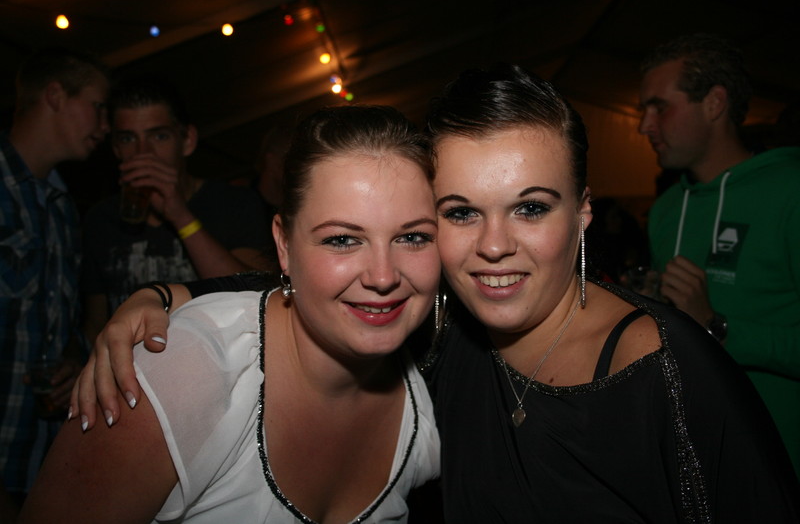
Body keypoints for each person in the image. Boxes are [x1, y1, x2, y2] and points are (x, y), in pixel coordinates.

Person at [69, 65, 799, 521]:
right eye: (459, 213)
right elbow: (323, 283)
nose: (493, 245)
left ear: (582, 214)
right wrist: (167, 294)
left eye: (531, 207)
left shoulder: (666, 370)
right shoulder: (442, 335)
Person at [19, 105, 441, 523]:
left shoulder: (435, 381)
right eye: (342, 240)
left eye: (413, 237)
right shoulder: (181, 372)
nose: (383, 276)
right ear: (284, 245)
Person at [639, 33, 800, 475]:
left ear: (714, 104)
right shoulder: (666, 210)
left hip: (781, 467)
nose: (644, 126)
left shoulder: (790, 191)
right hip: (695, 466)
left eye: (659, 107)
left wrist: (717, 326)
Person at [81, 73, 274, 347]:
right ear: (115, 148)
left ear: (187, 141)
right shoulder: (100, 219)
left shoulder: (234, 202)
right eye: (128, 139)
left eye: (159, 136)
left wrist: (180, 216)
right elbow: (95, 323)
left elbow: (255, 296)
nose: (143, 153)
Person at [0, 46, 109, 519]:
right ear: (55, 95)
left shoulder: (64, 209)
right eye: (98, 107)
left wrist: (73, 361)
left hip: (42, 463)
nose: (104, 126)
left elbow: (57, 324)